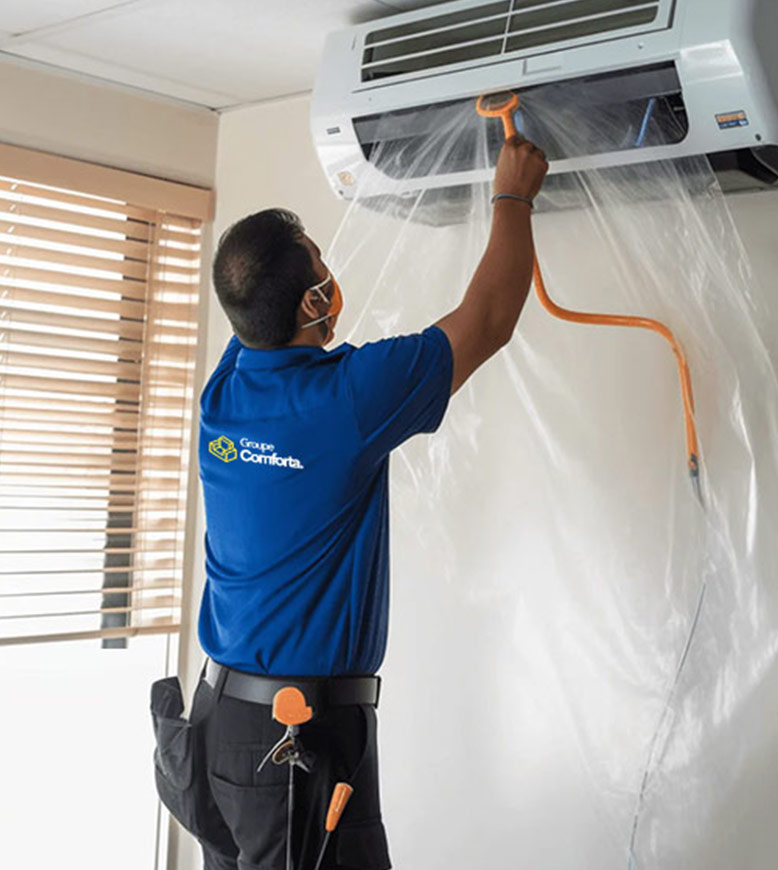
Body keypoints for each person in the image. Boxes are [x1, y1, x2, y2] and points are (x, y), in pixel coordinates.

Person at [155, 132, 547, 870]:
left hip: (222, 732)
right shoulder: (345, 404)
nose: (334, 282)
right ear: (311, 301)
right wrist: (513, 195)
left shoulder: (226, 394)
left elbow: (258, 297)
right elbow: (489, 319)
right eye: (323, 272)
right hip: (293, 743)